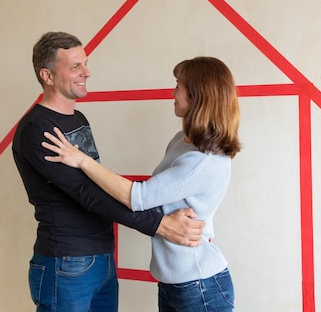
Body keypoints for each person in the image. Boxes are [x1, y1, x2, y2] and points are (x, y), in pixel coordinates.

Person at [12, 32, 205, 312]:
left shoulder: (78, 119)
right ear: (48, 76)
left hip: (101, 258)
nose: (86, 72)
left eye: (85, 63)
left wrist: (157, 199)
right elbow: (87, 193)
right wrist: (160, 225)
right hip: (66, 262)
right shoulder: (37, 129)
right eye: (75, 66)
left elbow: (99, 181)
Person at [42, 56, 241, 312]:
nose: (173, 92)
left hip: (199, 284)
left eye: (178, 86)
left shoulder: (205, 160)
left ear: (196, 96)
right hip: (172, 283)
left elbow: (138, 197)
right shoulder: (183, 141)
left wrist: (81, 160)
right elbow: (154, 197)